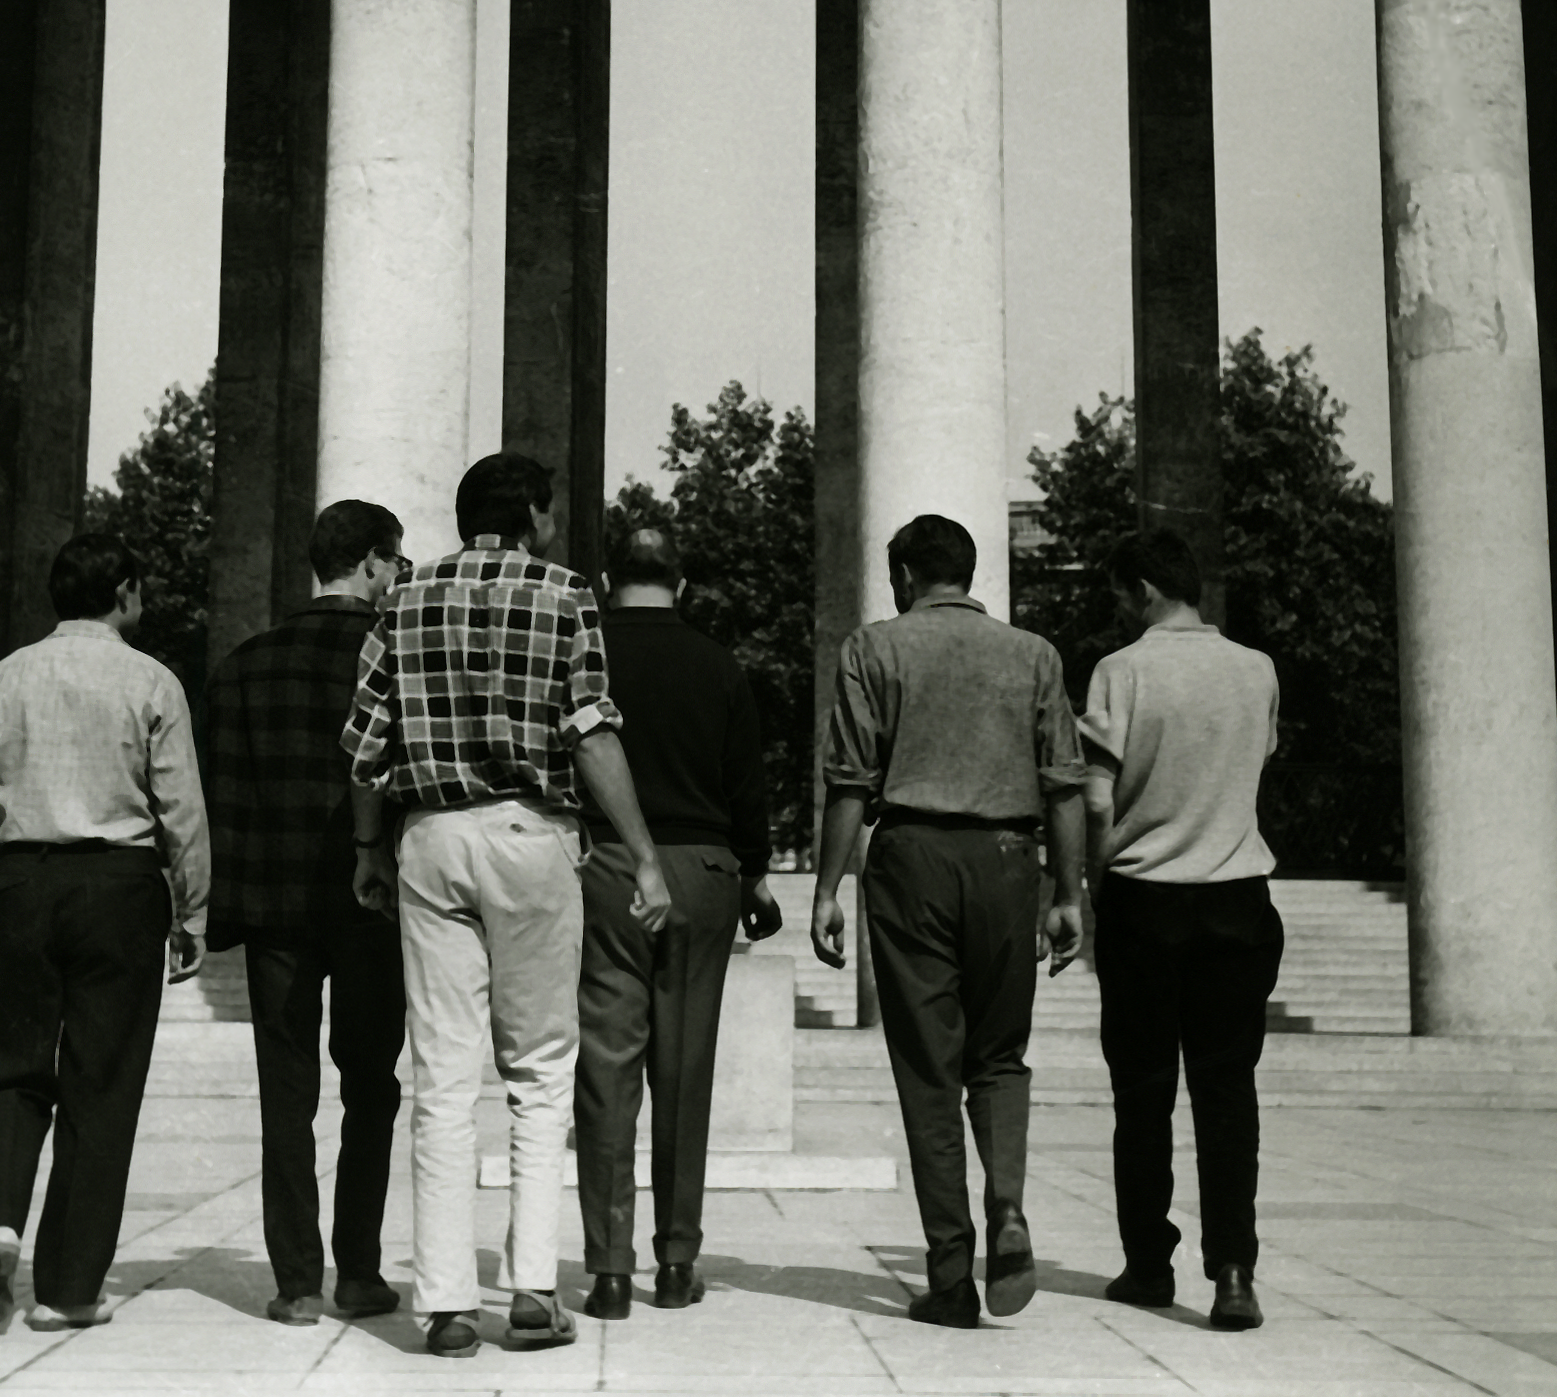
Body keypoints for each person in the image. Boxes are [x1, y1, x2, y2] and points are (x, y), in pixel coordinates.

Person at [341, 452, 673, 1360]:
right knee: (538, 1068)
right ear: (533, 509)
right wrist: (642, 855)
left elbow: (367, 745)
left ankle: (446, 1305)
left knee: (442, 1077)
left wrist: (371, 849)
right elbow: (590, 730)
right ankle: (531, 1290)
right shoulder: (567, 596)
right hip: (531, 835)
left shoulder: (401, 601)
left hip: (431, 834)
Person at [810, 512, 1087, 1329]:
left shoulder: (874, 648)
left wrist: (826, 888)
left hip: (912, 859)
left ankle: (949, 1274)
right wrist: (1067, 893)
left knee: (929, 1069)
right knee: (998, 1058)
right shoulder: (1033, 654)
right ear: (970, 575)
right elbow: (1064, 783)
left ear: (902, 575)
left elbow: (850, 780)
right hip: (1007, 860)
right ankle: (1007, 1206)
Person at [0, 531, 208, 1332]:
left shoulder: (5, 676)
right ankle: (68, 1288)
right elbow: (180, 811)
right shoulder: (153, 681)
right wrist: (191, 911)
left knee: (13, 1070)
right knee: (102, 1085)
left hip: (22, 882)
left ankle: (2, 1220)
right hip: (120, 889)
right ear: (122, 591)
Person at [197, 499, 410, 1325]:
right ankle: (358, 1270)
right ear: (371, 563)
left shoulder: (244, 664)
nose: (398, 579)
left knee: (285, 1093)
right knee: (370, 1087)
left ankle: (294, 1282)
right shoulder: (391, 656)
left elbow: (222, 798)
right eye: (396, 564)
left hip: (276, 907)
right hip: (369, 905)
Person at [575, 523, 782, 1321]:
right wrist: (754, 877)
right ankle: (674, 1259)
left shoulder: (585, 655)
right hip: (702, 872)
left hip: (605, 868)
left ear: (604, 581)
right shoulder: (719, 665)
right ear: (683, 585)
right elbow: (746, 789)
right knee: (684, 1073)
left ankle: (607, 1270)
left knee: (606, 1073)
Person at [1081, 525, 1283, 1332]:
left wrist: (1086, 889)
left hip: (1144, 897)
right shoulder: (1256, 670)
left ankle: (1147, 1264)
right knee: (1227, 1091)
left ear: (1143, 590)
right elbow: (1255, 764)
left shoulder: (1119, 671)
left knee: (1142, 1094)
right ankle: (1232, 1269)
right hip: (1236, 895)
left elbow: (1096, 799)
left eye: (1118, 594)